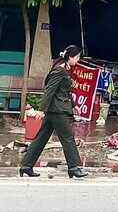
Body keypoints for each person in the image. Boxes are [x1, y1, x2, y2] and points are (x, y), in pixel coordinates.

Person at [20, 45, 88, 179]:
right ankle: (74, 168)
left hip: (55, 110)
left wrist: (74, 105)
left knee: (41, 138)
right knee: (68, 138)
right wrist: (41, 110)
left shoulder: (64, 69)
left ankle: (26, 166)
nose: (78, 60)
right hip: (58, 111)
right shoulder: (59, 70)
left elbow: (64, 92)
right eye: (77, 57)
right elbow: (49, 91)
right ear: (70, 57)